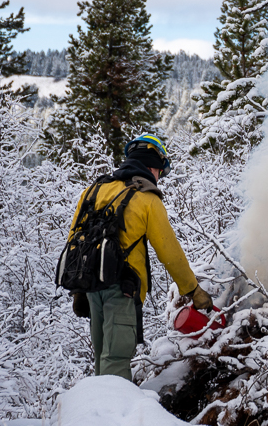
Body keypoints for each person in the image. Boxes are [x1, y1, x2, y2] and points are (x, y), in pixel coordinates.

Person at [68, 134, 211, 381]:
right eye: (161, 172)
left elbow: (75, 241)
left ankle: (96, 413)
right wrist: (193, 290)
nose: (159, 178)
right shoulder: (146, 198)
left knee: (103, 356)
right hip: (122, 289)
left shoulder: (93, 190)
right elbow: (170, 252)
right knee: (116, 359)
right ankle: (115, 416)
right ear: (152, 166)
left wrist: (79, 290)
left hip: (91, 288)